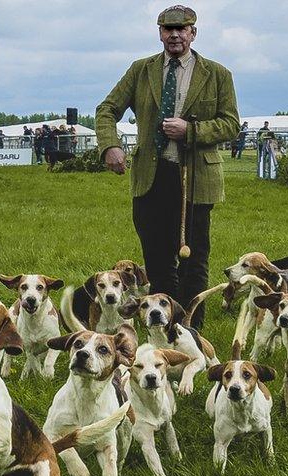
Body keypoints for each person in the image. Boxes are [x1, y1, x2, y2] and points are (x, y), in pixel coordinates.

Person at [96, 4, 239, 329]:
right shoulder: (141, 70)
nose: (174, 35)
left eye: (182, 29)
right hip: (151, 178)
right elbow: (106, 109)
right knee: (158, 260)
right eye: (167, 29)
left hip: (196, 180)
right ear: (160, 33)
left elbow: (231, 124)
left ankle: (191, 329)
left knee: (194, 257)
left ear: (193, 33)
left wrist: (191, 131)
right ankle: (165, 325)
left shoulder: (217, 74)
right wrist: (111, 145)